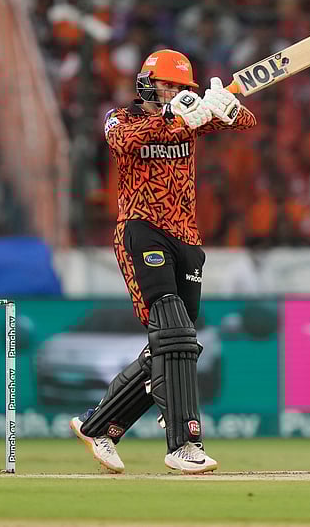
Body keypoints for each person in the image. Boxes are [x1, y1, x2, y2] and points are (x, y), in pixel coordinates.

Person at [69, 49, 256, 475]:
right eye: (164, 84)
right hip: (140, 230)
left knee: (176, 343)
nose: (170, 91)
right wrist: (175, 117)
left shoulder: (191, 115)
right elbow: (123, 143)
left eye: (177, 86)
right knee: (173, 329)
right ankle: (184, 443)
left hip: (186, 237)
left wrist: (228, 108)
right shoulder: (121, 118)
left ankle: (99, 425)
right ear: (147, 83)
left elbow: (246, 124)